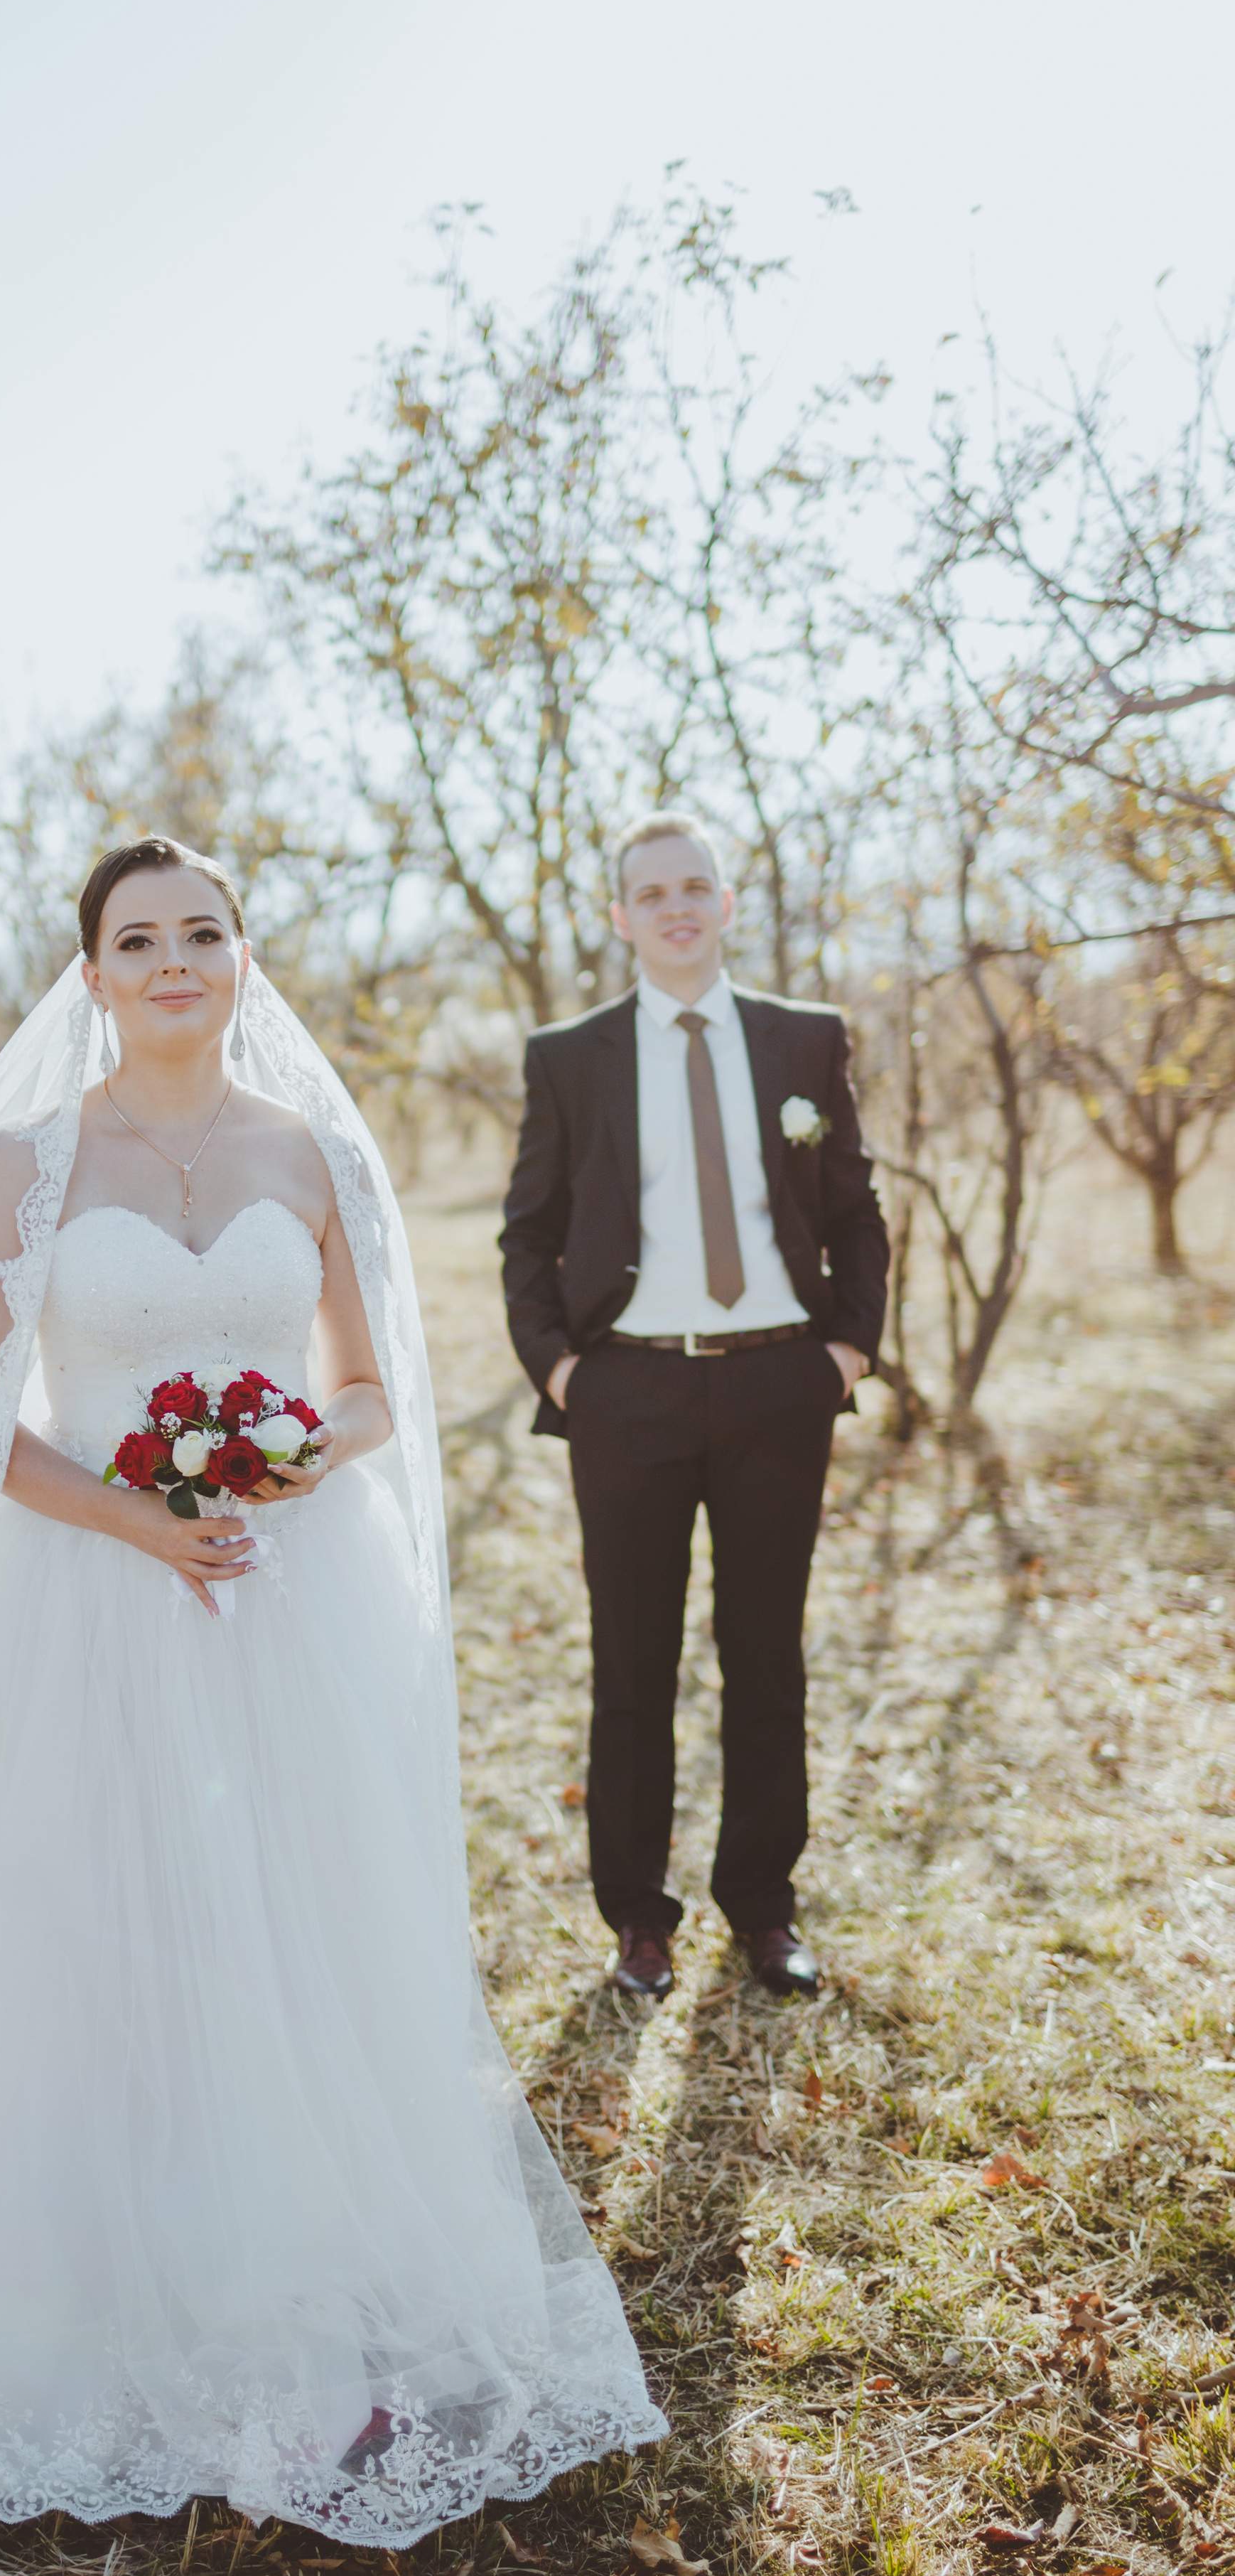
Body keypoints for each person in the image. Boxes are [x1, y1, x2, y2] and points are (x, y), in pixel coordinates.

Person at [0, 835, 665, 2548]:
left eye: (203, 931)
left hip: (285, 1589)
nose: (174, 959)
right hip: (83, 1597)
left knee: (295, 1922)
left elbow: (369, 1393)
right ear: (93, 977)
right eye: (138, 940)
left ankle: (304, 2292)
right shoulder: (27, 1160)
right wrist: (143, 1521)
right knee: (95, 1926)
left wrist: (282, 1461)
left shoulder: (307, 1150)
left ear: (244, 958)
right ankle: (96, 2295)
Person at [499, 813, 890, 2004]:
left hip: (781, 1382)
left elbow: (855, 1209)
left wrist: (847, 1354)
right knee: (633, 1662)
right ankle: (638, 1918)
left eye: (695, 887)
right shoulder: (570, 1057)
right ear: (621, 917)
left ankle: (763, 1908)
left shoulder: (805, 1038)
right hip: (629, 1391)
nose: (676, 907)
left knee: (766, 1655)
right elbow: (529, 1233)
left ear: (726, 903)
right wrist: (563, 1373)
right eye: (652, 892)